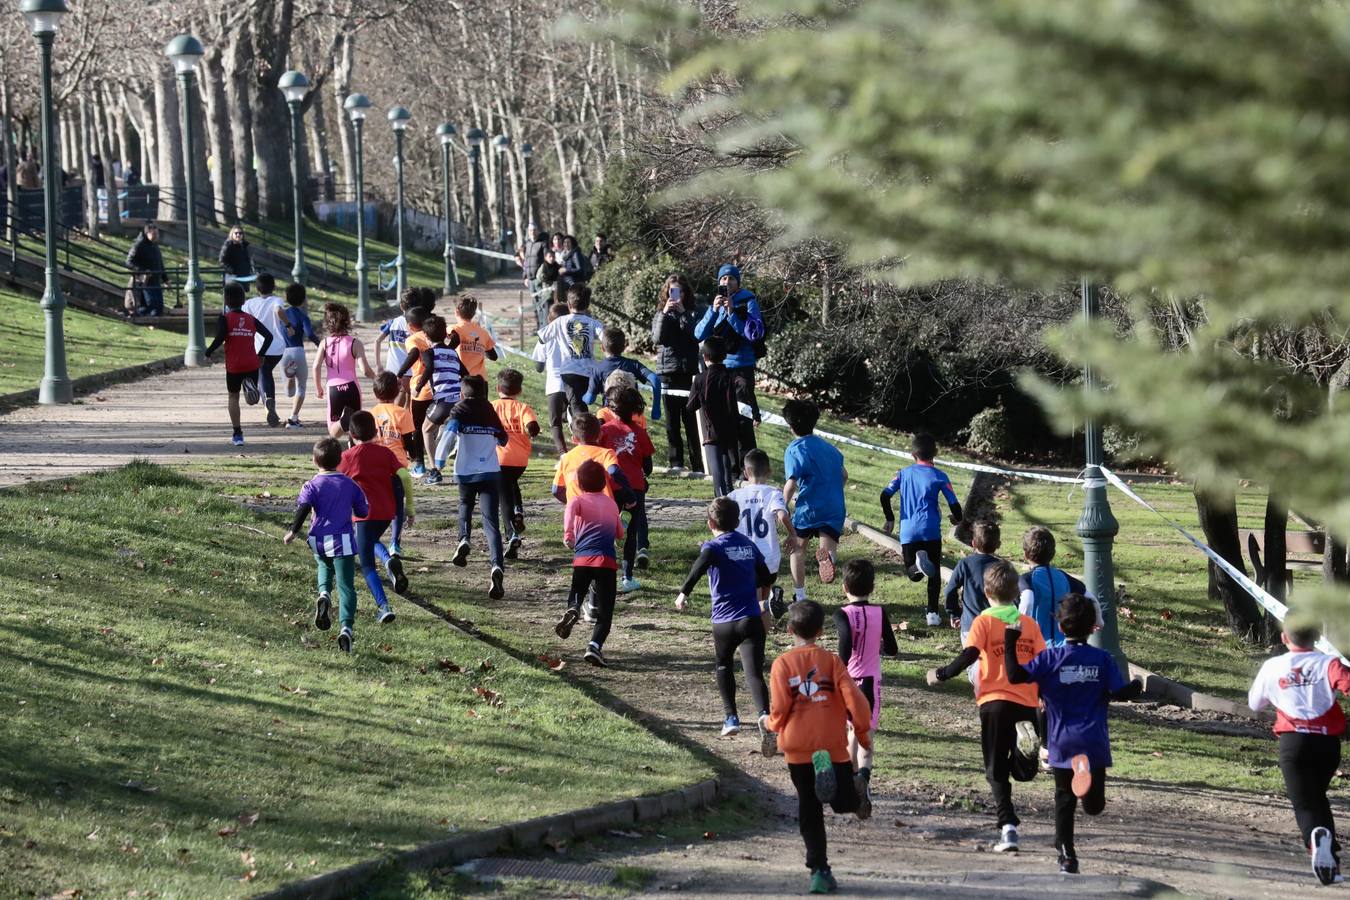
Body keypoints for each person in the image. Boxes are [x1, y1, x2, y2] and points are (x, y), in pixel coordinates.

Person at [1004, 593, 1142, 875]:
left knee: (1064, 798)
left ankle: (1067, 855)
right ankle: (1087, 790)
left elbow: (1015, 675)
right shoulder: (1102, 659)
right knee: (1094, 807)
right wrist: (1137, 685)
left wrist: (1010, 639)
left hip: (1061, 741)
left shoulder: (1050, 658)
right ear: (1092, 627)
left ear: (1060, 626)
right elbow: (1120, 692)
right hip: (1094, 743)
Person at [926, 560, 1045, 853]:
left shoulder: (983, 621)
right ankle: (1025, 752)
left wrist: (941, 673)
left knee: (995, 771)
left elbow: (969, 655)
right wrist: (1045, 697)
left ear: (987, 593)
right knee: (1022, 772)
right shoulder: (1029, 624)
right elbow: (1042, 664)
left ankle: (1008, 828)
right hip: (1027, 702)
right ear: (1016, 593)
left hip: (995, 703)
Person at [762, 599, 872, 895]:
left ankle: (820, 872)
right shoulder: (832, 662)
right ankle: (854, 789)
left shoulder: (782, 664)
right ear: (821, 631)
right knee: (843, 801)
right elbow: (855, 701)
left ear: (789, 630)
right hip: (831, 744)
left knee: (809, 809)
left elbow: (780, 709)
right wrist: (863, 736)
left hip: (798, 748)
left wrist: (771, 726)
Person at [1248, 622, 1350, 886]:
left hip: (1294, 743)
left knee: (1305, 803)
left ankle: (1315, 843)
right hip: (1327, 744)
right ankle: (1332, 864)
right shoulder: (1329, 663)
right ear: (1317, 637)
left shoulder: (1272, 666)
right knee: (1316, 797)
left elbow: (1254, 703)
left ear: (1284, 637)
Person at [675, 496, 776, 741]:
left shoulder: (713, 547)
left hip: (723, 622)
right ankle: (764, 715)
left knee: (723, 665)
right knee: (754, 672)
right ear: (738, 521)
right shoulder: (749, 545)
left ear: (711, 523)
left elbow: (698, 567)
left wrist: (683, 593)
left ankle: (731, 718)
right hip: (750, 619)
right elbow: (767, 577)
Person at [285, 438, 368, 653]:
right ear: (340, 460)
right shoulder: (350, 484)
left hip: (319, 540)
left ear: (314, 461)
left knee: (323, 565)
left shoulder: (311, 485)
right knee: (346, 586)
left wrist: (293, 531)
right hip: (342, 542)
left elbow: (303, 509)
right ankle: (346, 628)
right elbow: (363, 511)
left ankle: (324, 595)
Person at [833, 558, 898, 813]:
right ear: (872, 587)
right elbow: (892, 649)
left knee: (851, 731)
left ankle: (850, 783)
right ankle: (864, 779)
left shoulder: (841, 614)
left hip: (848, 682)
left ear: (844, 588)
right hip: (870, 684)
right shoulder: (880, 612)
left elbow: (845, 645)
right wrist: (876, 645)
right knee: (866, 735)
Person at [436, 375, 509, 600]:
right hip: (490, 472)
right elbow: (503, 439)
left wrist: (439, 461)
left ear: (462, 393)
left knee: (465, 505)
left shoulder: (459, 410)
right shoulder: (489, 411)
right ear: (483, 393)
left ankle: (464, 539)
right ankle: (496, 565)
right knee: (491, 522)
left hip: (465, 472)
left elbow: (448, 436)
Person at [881, 433, 964, 627]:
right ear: (936, 453)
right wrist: (957, 519)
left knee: (913, 574)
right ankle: (933, 615)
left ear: (913, 454)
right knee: (934, 573)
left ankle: (918, 567)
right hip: (931, 531)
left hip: (908, 532)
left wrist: (890, 518)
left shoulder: (902, 474)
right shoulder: (940, 476)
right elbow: (954, 504)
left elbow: (885, 495)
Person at [555, 459, 626, 668]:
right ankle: (594, 645)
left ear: (579, 483)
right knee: (605, 611)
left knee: (577, 589)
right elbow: (620, 534)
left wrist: (569, 536)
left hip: (583, 559)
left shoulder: (577, 501)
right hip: (606, 562)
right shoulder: (611, 504)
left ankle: (574, 607)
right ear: (604, 482)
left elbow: (569, 513)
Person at [338, 411, 409, 620]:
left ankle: (383, 606)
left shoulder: (348, 457)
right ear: (376, 431)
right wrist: (410, 507)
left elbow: (334, 479)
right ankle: (388, 561)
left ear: (351, 435)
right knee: (369, 540)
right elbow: (403, 474)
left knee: (367, 564)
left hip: (364, 515)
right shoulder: (386, 453)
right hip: (386, 513)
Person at [695, 263, 763, 453]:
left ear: (738, 282)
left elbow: (753, 334)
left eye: (731, 278)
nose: (727, 282)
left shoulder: (749, 301)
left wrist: (732, 313)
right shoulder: (715, 305)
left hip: (742, 368)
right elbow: (698, 334)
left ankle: (748, 465)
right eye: (723, 279)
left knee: (743, 421)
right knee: (724, 421)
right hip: (719, 369)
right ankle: (731, 465)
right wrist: (713, 310)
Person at [782, 399, 847, 597]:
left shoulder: (795, 449)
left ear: (791, 425)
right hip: (834, 506)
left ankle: (800, 594)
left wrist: (782, 505)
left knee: (797, 548)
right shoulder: (830, 449)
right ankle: (829, 558)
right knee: (828, 546)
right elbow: (844, 475)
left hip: (808, 508)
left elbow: (791, 483)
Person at [728, 449, 795, 625]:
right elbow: (782, 515)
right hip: (769, 558)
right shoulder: (773, 493)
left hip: (744, 557)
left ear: (745, 473)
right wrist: (792, 534)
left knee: (753, 604)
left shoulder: (734, 496)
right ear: (769, 472)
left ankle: (753, 638)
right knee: (765, 602)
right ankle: (762, 638)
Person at [599, 386, 655, 592]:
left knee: (605, 533)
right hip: (635, 488)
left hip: (610, 487)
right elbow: (648, 467)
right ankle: (627, 578)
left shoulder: (603, 431)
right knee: (632, 534)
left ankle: (605, 575)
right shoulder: (640, 432)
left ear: (611, 407)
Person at [203, 282, 272, 446]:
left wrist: (208, 352)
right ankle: (250, 385)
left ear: (226, 300)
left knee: (233, 396)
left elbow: (220, 337)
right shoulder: (250, 319)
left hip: (234, 365)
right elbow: (269, 336)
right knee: (251, 400)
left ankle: (237, 434)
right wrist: (261, 354)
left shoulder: (225, 319)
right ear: (243, 300)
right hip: (252, 363)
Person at [651, 273, 704, 472]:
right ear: (667, 292)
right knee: (672, 422)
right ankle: (676, 464)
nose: (676, 295)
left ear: (685, 293)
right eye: (672, 291)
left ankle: (698, 464)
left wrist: (684, 314)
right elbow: (657, 338)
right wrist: (665, 313)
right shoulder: (660, 313)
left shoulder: (694, 312)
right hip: (667, 371)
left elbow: (696, 336)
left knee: (691, 421)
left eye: (679, 291)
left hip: (688, 371)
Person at [404, 314, 463, 486]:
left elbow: (428, 370)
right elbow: (465, 373)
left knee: (426, 429)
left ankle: (434, 471)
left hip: (443, 400)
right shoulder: (453, 352)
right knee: (459, 431)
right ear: (445, 334)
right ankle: (460, 468)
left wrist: (417, 388)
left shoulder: (429, 353)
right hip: (459, 400)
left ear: (426, 336)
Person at [1019, 526, 1101, 647]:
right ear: (1053, 553)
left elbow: (1027, 602)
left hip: (1036, 647)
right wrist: (1099, 620)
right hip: (1063, 647)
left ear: (1025, 554)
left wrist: (1020, 630)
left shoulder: (1026, 580)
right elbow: (1092, 599)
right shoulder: (1064, 577)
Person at [492, 368, 540, 560]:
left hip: (499, 458)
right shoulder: (523, 408)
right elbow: (532, 426)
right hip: (520, 460)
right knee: (511, 484)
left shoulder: (492, 407)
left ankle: (512, 535)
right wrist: (532, 431)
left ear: (497, 388)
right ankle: (518, 511)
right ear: (519, 391)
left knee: (503, 497)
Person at [536, 284, 604, 417]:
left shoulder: (560, 321)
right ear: (588, 305)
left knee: (577, 405)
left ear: (568, 304)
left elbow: (542, 337)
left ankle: (583, 426)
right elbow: (606, 339)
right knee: (579, 403)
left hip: (569, 372)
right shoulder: (593, 323)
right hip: (589, 372)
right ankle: (581, 423)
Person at [685, 338, 741, 497]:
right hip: (730, 429)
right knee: (727, 468)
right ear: (724, 356)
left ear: (705, 356)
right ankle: (731, 499)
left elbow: (690, 406)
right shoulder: (730, 376)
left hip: (711, 430)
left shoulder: (701, 378)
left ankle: (720, 502)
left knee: (717, 472)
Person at [370, 372, 417, 559]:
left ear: (375, 392)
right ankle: (395, 544)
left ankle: (371, 535)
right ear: (397, 391)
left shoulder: (370, 414)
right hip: (397, 468)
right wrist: (414, 454)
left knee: (375, 504)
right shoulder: (402, 413)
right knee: (397, 506)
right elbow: (409, 441)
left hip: (374, 467)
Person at [313, 302, 375, 440]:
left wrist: (318, 388)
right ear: (347, 321)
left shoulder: (324, 343)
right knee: (356, 427)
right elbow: (365, 370)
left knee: (333, 431)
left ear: (328, 323)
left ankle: (342, 422)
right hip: (352, 387)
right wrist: (376, 378)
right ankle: (354, 447)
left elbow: (316, 367)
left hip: (333, 389)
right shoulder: (355, 343)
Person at [552, 413, 635, 508]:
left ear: (574, 439)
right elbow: (614, 471)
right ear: (600, 434)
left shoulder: (567, 458)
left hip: (577, 512)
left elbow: (556, 490)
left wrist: (571, 503)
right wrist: (630, 494)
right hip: (603, 509)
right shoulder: (605, 453)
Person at [585, 327, 663, 421]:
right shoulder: (634, 365)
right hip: (633, 416)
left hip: (610, 416)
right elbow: (655, 379)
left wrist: (582, 397)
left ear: (602, 348)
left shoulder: (598, 368)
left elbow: (589, 400)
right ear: (624, 347)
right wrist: (656, 409)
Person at [243, 273, 288, 428]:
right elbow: (279, 310)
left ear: (257, 288)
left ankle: (265, 398)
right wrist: (288, 325)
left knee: (263, 371)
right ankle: (268, 400)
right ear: (273, 287)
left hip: (257, 347)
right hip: (276, 348)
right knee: (266, 371)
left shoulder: (249, 303)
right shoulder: (276, 300)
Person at [944, 520, 1003, 635]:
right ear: (998, 544)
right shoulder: (1003, 567)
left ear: (973, 543)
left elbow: (949, 590)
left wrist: (955, 613)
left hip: (970, 626)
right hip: (996, 627)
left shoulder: (965, 564)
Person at [532, 301, 571, 454]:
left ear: (549, 319)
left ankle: (563, 454)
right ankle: (582, 448)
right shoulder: (574, 336)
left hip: (555, 385)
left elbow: (539, 367)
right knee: (577, 418)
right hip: (573, 383)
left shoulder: (545, 338)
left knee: (555, 424)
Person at [280, 282, 319, 429]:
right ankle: (293, 418)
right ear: (303, 300)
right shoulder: (303, 316)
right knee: (301, 387)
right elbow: (310, 334)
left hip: (284, 352)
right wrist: (320, 344)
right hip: (298, 351)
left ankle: (290, 377)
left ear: (287, 297)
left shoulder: (282, 316)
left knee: (289, 393)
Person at [401, 307, 434, 474]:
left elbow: (413, 354)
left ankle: (420, 464)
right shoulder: (433, 335)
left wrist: (399, 373)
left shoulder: (412, 339)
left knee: (418, 427)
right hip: (439, 387)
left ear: (409, 326)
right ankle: (437, 460)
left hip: (420, 389)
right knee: (435, 425)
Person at [450, 295, 499, 378]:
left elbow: (444, 343)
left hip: (461, 379)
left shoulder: (454, 329)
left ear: (456, 312)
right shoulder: (483, 332)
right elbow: (493, 357)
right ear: (474, 313)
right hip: (481, 379)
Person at [374, 289, 419, 376]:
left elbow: (377, 341)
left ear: (401, 306)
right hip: (412, 372)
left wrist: (378, 364)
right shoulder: (419, 325)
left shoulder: (393, 323)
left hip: (392, 372)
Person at [125, 222, 166, 316]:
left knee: (159, 306)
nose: (156, 236)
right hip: (145, 281)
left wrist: (165, 279)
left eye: (157, 234)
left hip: (156, 280)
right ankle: (139, 316)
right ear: (148, 233)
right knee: (151, 304)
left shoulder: (155, 246)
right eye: (154, 234)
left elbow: (160, 264)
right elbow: (129, 262)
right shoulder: (139, 245)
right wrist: (143, 270)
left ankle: (140, 315)